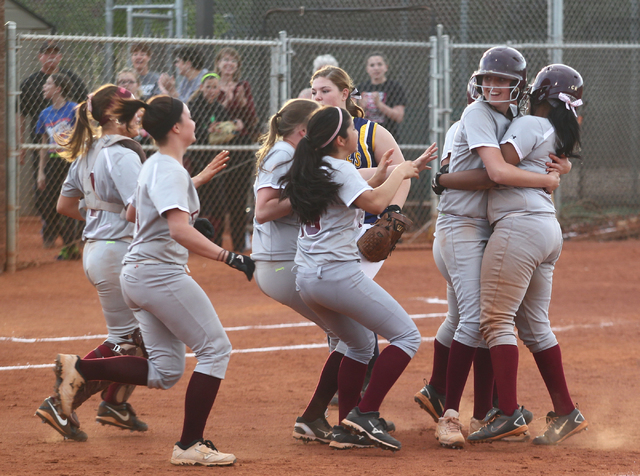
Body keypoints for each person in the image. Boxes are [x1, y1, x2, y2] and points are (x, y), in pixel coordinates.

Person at [49, 94, 255, 466]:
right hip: (159, 273)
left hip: (138, 273)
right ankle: (190, 444)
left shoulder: (155, 163)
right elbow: (176, 228)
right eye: (189, 116)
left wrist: (189, 222)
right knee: (216, 349)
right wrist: (229, 255)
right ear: (176, 127)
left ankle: (81, 368)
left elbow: (132, 213)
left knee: (166, 371)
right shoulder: (164, 166)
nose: (194, 121)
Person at [420, 46, 564, 449]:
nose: (493, 86)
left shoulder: (515, 119)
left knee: (475, 319)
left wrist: (561, 167)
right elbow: (495, 174)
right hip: (462, 225)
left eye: (503, 80)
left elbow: (536, 153)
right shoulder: (476, 113)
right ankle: (450, 415)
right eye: (488, 79)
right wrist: (546, 182)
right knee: (473, 318)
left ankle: (483, 408)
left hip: (488, 227)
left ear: (519, 87)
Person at [280, 105, 436, 451]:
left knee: (360, 344)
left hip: (307, 279)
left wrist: (384, 172)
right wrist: (400, 172)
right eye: (351, 129)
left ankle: (345, 427)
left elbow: (355, 186)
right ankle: (365, 413)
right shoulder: (338, 167)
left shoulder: (313, 167)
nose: (356, 132)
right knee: (408, 337)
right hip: (337, 275)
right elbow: (378, 202)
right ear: (339, 139)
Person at [466, 64, 589, 445]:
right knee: (535, 327)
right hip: (547, 229)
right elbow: (551, 163)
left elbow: (496, 170)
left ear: (539, 94)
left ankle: (506, 413)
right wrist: (558, 171)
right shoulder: (557, 130)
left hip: (519, 225)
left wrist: (446, 178)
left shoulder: (531, 124)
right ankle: (568, 412)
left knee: (495, 320)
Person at [35, 84, 149, 441]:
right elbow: (139, 210)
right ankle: (62, 400)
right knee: (127, 339)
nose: (139, 118)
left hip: (98, 248)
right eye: (133, 113)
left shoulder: (87, 151)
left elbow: (65, 207)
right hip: (117, 252)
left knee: (143, 336)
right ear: (114, 118)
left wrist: (99, 220)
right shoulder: (122, 152)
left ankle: (114, 402)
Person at [310, 65, 410, 403]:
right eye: (314, 92)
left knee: (350, 302)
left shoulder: (370, 132)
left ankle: (361, 380)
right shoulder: (313, 137)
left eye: (325, 91)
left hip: (368, 227)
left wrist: (392, 213)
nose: (318, 97)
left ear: (345, 93)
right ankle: (350, 377)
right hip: (331, 231)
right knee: (339, 306)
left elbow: (403, 172)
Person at [211, 47, 259, 252]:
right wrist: (227, 102)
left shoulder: (243, 86)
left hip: (240, 146)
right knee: (218, 195)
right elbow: (210, 111)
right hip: (218, 145)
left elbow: (252, 119)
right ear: (218, 64)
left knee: (239, 197)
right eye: (225, 60)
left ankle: (239, 243)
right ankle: (215, 244)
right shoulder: (212, 85)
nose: (229, 63)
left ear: (238, 66)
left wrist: (241, 102)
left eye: (233, 60)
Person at [35, 74, 82, 259]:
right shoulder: (44, 113)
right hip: (53, 162)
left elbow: (82, 135)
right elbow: (43, 145)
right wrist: (40, 172)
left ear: (59, 88)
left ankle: (69, 247)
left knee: (68, 203)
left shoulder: (73, 109)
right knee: (49, 205)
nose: (44, 87)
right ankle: (69, 243)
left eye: (48, 84)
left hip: (70, 162)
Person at [187, 72, 233, 245]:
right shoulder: (193, 106)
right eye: (208, 87)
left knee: (220, 203)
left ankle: (216, 239)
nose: (212, 90)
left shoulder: (220, 109)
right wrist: (208, 131)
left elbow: (230, 131)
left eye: (215, 87)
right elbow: (192, 132)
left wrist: (224, 129)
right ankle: (195, 241)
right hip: (197, 160)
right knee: (198, 202)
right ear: (201, 88)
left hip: (215, 161)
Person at [358, 52, 406, 141]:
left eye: (379, 64)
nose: (376, 68)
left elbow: (399, 116)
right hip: (365, 136)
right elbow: (351, 117)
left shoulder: (394, 87)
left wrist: (379, 104)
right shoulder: (361, 88)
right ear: (367, 69)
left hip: (388, 137)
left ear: (386, 67)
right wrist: (362, 107)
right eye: (372, 65)